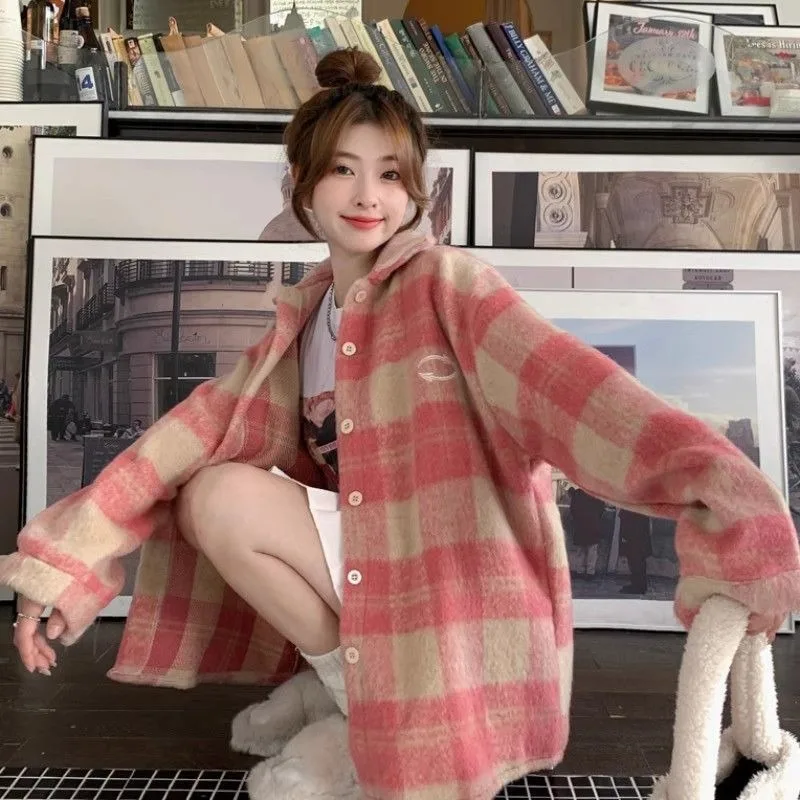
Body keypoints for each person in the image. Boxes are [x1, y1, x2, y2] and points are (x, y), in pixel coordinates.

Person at [3, 48, 800, 800]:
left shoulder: (448, 286)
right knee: (210, 493)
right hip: (373, 566)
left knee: (221, 497)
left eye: (390, 174)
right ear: (301, 186)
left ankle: (385, 732)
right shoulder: (305, 317)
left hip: (450, 586)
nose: (367, 196)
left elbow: (583, 396)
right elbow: (175, 443)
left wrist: (730, 500)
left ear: (416, 189)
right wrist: (62, 564)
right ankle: (356, 702)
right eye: (342, 170)